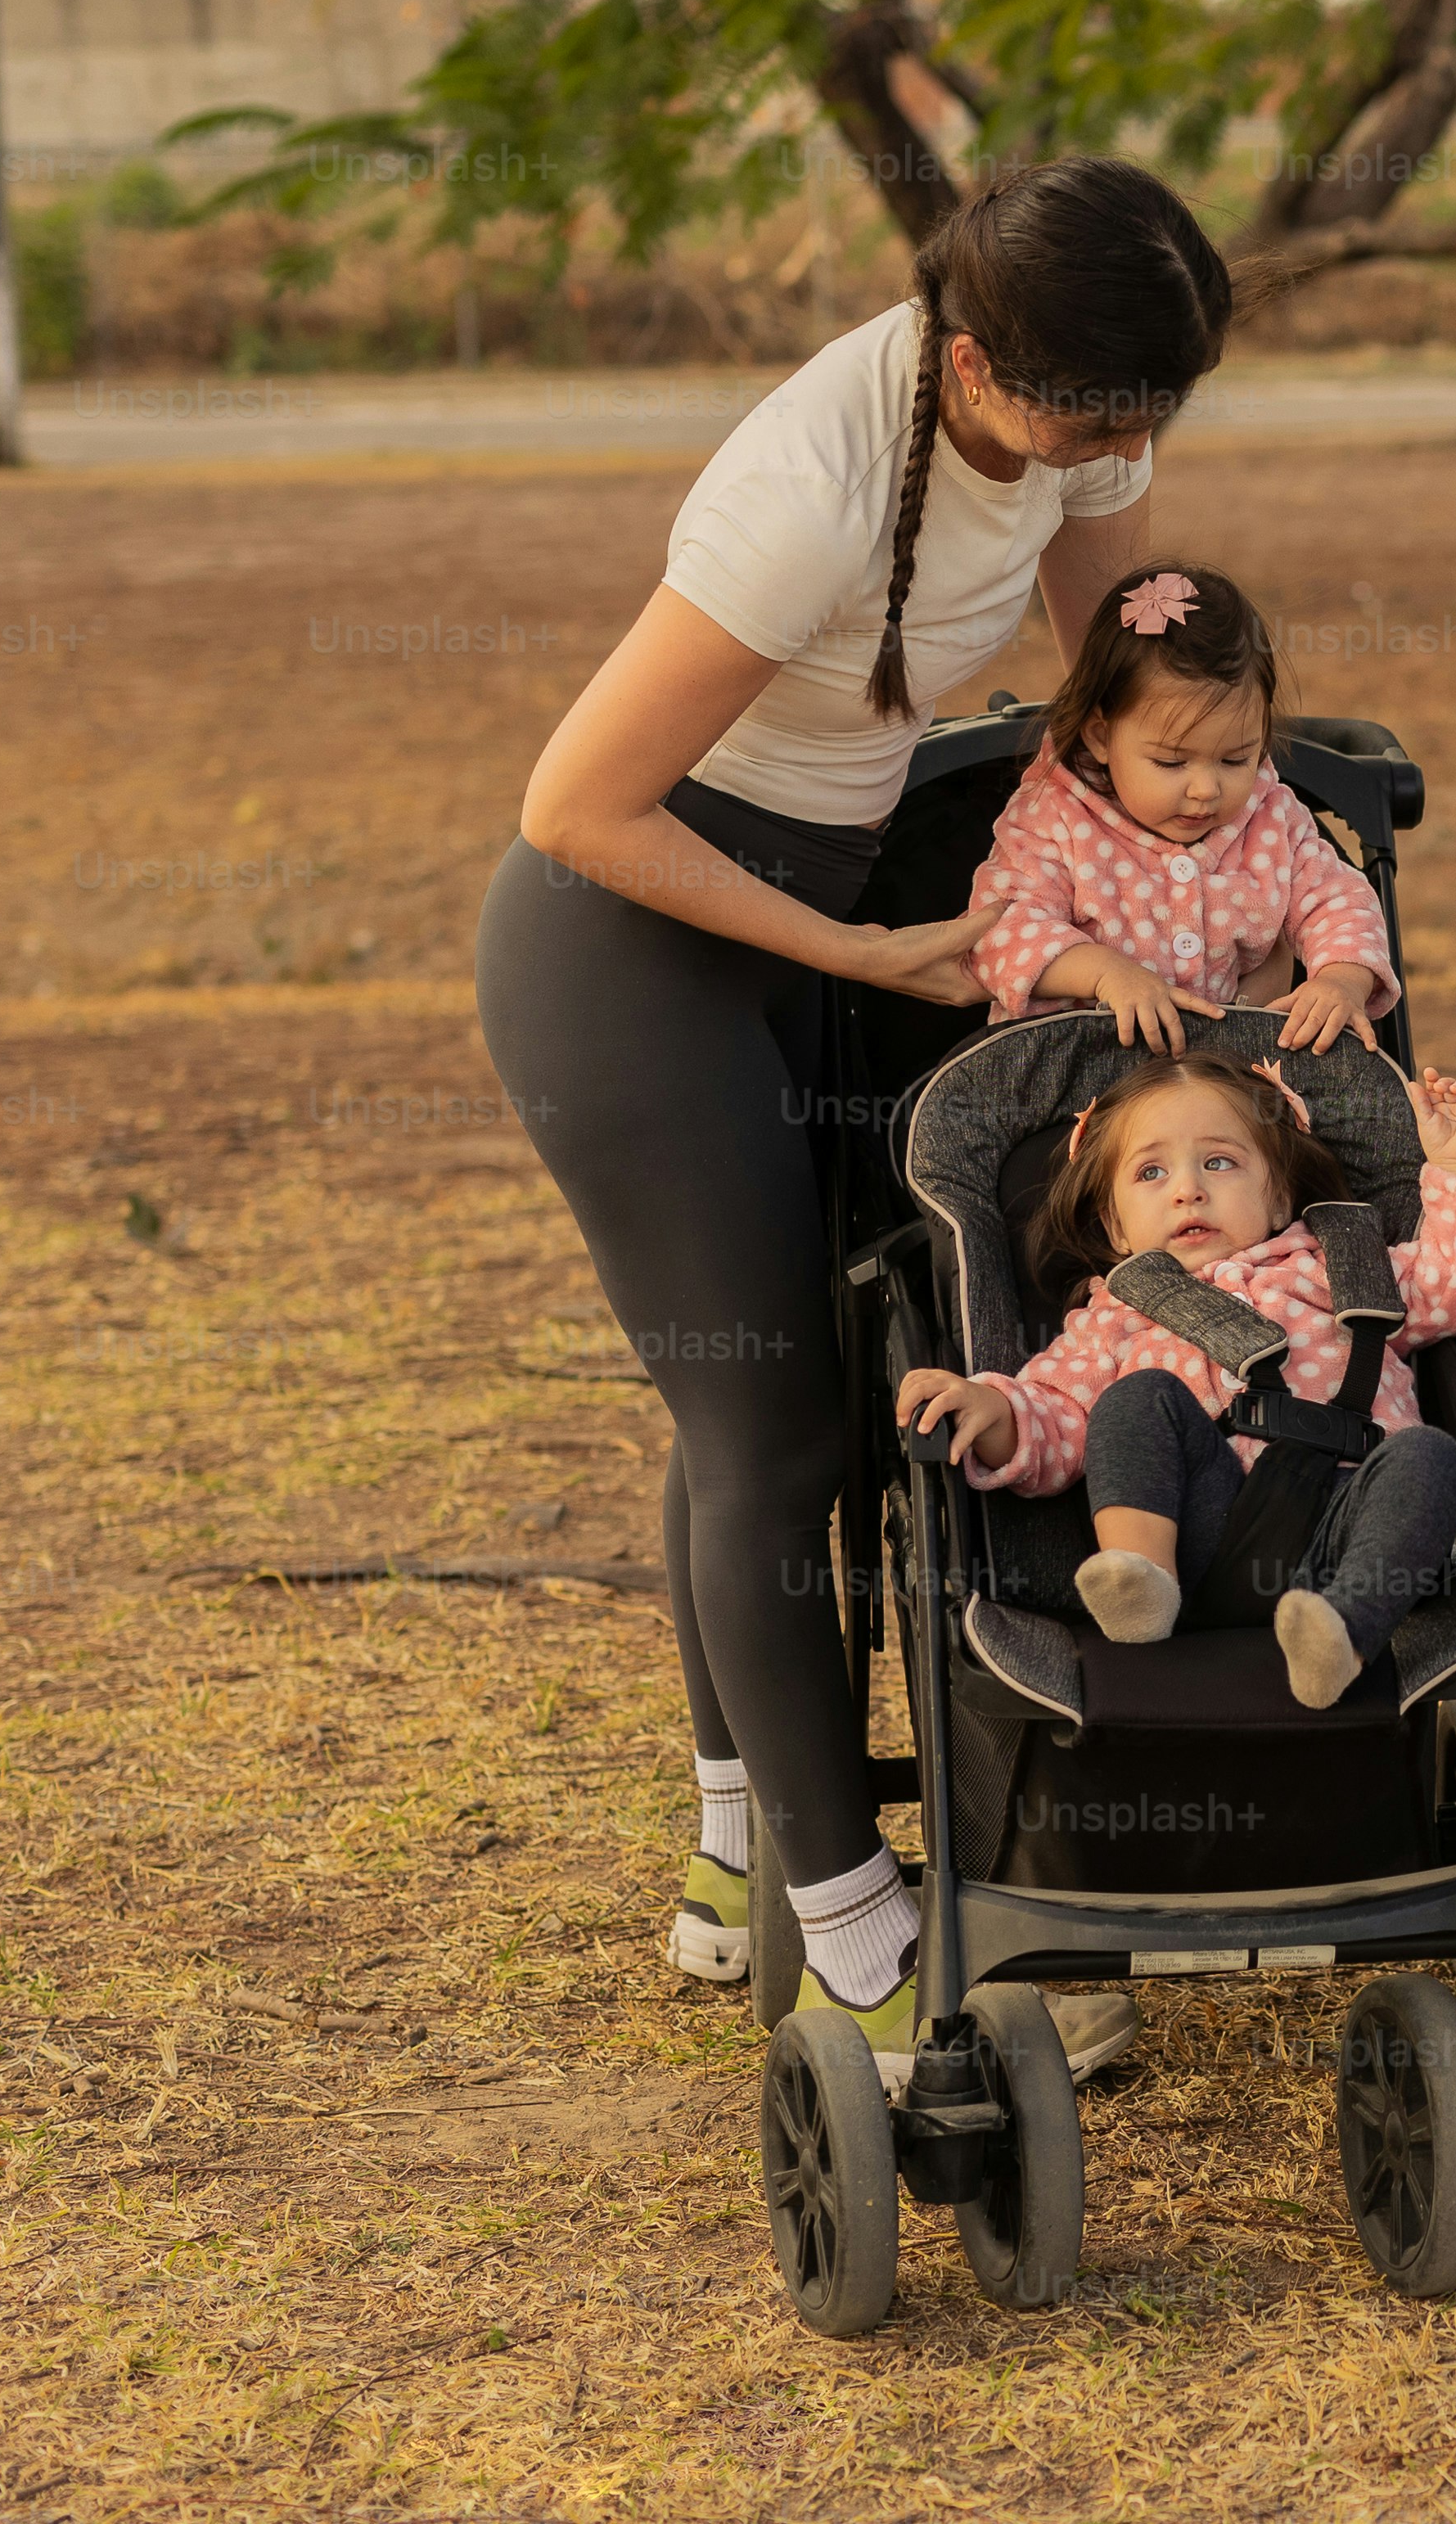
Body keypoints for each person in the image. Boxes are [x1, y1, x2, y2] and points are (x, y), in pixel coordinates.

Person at [475, 155, 1233, 2080]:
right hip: (634, 946)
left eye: (1155, 413)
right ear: (976, 361)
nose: (1123, 448)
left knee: (779, 1371)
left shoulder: (1075, 408)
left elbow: (1107, 668)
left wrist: (1222, 825)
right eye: (1094, 414)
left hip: (827, 912)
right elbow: (577, 805)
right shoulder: (807, 491)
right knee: (774, 1426)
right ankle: (853, 1933)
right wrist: (845, 948)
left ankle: (732, 1849)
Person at [895, 1057, 1456, 1711]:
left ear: (1278, 1195)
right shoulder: (1117, 1315)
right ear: (1114, 1226)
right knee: (1135, 1399)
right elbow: (1055, 1415)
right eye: (1151, 1173)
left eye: (1219, 1163)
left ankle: (1342, 1635)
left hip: (1346, 1529)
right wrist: (990, 1407)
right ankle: (1140, 1580)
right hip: (1198, 1540)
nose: (1187, 1189)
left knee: (1431, 1458)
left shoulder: (1345, 1268)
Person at [967, 558, 1397, 1049]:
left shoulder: (1270, 820)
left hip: (1228, 1074)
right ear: (1101, 737)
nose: (1205, 790)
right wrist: (1106, 974)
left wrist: (1342, 979)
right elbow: (999, 930)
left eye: (1235, 760)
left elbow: (1339, 903)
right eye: (1172, 764)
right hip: (1079, 1071)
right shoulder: (1055, 819)